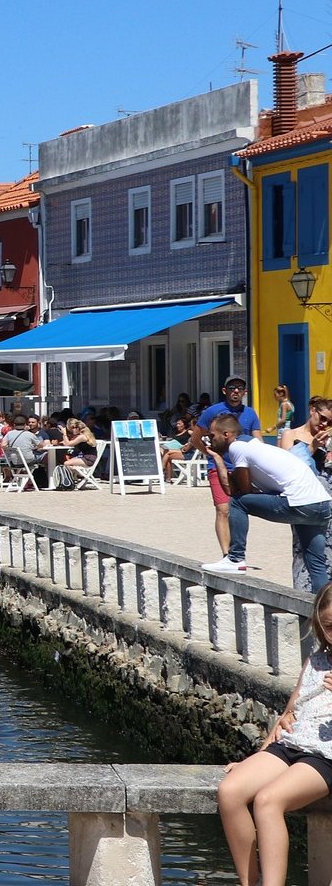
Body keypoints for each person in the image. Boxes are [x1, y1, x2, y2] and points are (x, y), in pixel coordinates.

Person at [218, 582, 332, 885]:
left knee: (268, 801)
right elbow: (290, 711)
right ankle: (249, 881)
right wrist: (260, 756)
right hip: (291, 745)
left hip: (325, 756)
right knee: (230, 792)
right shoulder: (317, 660)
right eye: (330, 626)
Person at [200, 413, 332, 588]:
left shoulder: (237, 447)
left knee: (238, 502)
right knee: (316, 564)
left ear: (226, 435)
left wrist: (218, 459)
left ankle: (235, 558)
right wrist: (217, 458)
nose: (210, 440)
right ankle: (323, 611)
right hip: (322, 504)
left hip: (299, 502)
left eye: (212, 435)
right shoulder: (253, 445)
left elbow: (237, 493)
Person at [198, 375, 265, 567]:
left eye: (240, 388)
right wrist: (212, 454)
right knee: (223, 509)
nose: (236, 391)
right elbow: (197, 438)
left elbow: (257, 440)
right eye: (232, 387)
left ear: (245, 392)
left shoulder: (250, 413)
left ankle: (236, 552)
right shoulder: (212, 411)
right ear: (224, 390)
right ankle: (227, 554)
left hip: (242, 467)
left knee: (239, 508)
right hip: (217, 467)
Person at [2, 414, 50, 489]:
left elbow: (3, 445)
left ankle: (29, 482)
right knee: (45, 456)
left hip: (14, 461)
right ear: (25, 424)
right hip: (28, 460)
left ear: (14, 425)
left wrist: (12, 448)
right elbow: (41, 445)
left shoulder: (9, 434)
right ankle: (47, 480)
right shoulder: (29, 434)